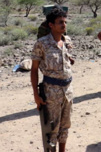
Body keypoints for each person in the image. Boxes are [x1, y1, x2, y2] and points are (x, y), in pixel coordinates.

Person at [31, 8, 74, 152]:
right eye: (60, 22)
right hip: (51, 93)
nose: (64, 25)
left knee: (65, 126)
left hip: (68, 91)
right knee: (51, 129)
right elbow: (34, 69)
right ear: (51, 25)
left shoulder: (67, 41)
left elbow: (66, 58)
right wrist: (36, 96)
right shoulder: (41, 44)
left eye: (65, 22)